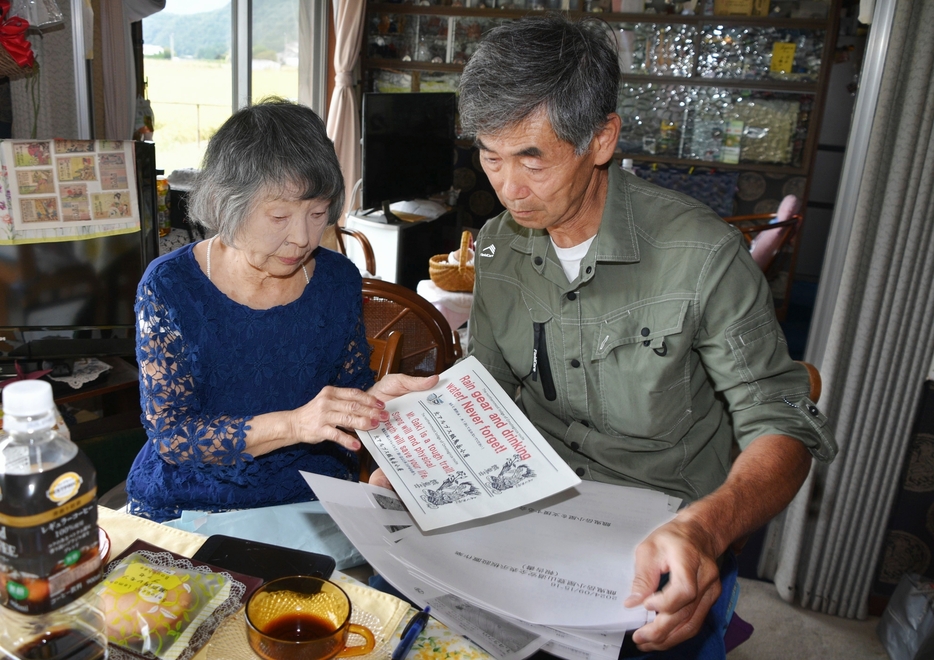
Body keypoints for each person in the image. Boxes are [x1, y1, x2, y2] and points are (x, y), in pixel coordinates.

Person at [456, 14, 837, 658]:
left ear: (601, 139)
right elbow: (487, 386)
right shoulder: (499, 245)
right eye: (490, 157)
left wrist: (705, 531)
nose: (508, 189)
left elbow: (784, 426)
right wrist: (424, 434)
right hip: (538, 520)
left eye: (532, 159)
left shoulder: (702, 256)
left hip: (665, 532)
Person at [126, 99, 437, 523]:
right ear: (224, 204)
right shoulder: (170, 286)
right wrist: (293, 424)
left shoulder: (336, 280)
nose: (302, 237)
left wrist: (371, 403)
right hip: (194, 500)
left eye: (317, 213)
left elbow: (347, 388)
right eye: (278, 216)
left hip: (313, 498)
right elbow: (172, 437)